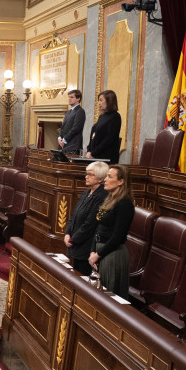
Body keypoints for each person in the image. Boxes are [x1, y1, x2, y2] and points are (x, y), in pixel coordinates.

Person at [89, 165, 135, 299]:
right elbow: (99, 227)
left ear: (121, 181)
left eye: (109, 177)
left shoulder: (124, 204)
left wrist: (98, 254)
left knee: (109, 297)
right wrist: (93, 251)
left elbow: (118, 236)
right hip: (101, 251)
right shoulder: (109, 198)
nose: (105, 180)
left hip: (113, 255)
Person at [64, 162, 109, 276]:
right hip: (76, 244)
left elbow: (90, 223)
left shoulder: (102, 196)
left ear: (100, 179)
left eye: (90, 174)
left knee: (82, 279)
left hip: (86, 247)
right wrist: (67, 233)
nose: (86, 176)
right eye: (86, 173)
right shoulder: (86, 192)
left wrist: (73, 240)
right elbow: (74, 215)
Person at [86, 90, 122, 164]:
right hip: (95, 155)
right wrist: (89, 151)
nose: (99, 103)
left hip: (106, 157)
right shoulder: (102, 116)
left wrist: (93, 153)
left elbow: (109, 139)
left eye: (101, 100)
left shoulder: (115, 116)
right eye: (98, 100)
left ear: (109, 101)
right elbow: (93, 136)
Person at [59, 89, 85, 154]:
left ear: (78, 98)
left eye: (72, 97)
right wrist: (59, 138)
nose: (69, 99)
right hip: (65, 145)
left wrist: (64, 139)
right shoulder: (68, 112)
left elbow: (76, 128)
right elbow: (63, 127)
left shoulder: (80, 111)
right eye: (69, 97)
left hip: (73, 146)